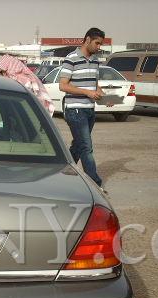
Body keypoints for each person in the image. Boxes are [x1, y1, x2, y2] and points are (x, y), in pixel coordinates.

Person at [59, 27, 106, 189]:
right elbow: (63, 86)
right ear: (87, 40)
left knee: (79, 145)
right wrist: (87, 92)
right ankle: (95, 185)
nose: (99, 47)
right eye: (97, 43)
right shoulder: (71, 58)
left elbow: (95, 85)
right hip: (75, 110)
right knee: (86, 147)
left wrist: (102, 95)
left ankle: (63, 173)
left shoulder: (95, 61)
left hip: (89, 110)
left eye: (100, 44)